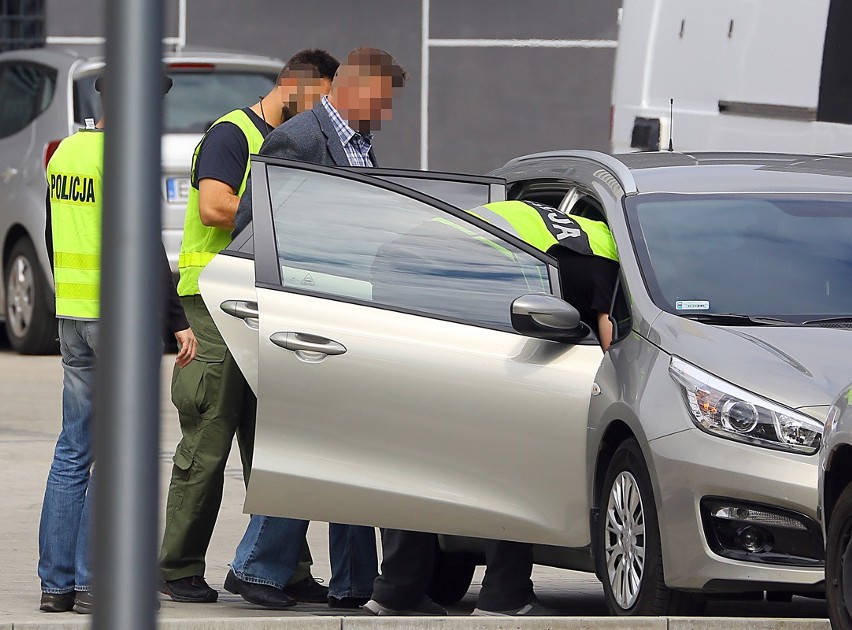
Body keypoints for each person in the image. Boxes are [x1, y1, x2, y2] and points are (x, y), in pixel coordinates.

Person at [363, 199, 619, 618]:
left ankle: (396, 591)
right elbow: (613, 348)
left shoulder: (552, 222)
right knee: (509, 454)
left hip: (397, 266)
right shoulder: (606, 256)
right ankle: (505, 595)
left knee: (415, 447)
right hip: (453, 285)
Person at [226, 47, 406, 610]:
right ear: (357, 88)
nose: (389, 114)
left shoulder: (359, 143)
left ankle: (354, 583)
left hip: (347, 316)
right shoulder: (299, 139)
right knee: (314, 445)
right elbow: (256, 226)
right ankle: (254, 567)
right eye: (385, 100)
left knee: (348, 448)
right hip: (306, 320)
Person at [159, 49, 340, 606]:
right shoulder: (231, 134)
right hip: (216, 300)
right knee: (210, 438)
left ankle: (282, 567)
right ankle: (178, 565)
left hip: (269, 304)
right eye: (318, 101)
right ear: (293, 86)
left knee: (277, 441)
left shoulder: (298, 145)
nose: (320, 115)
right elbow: (215, 208)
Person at [38, 74, 197, 615]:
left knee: (72, 450)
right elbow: (148, 247)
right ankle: (90, 581)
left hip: (73, 315)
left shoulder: (66, 154)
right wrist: (175, 319)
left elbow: (52, 235)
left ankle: (56, 585)